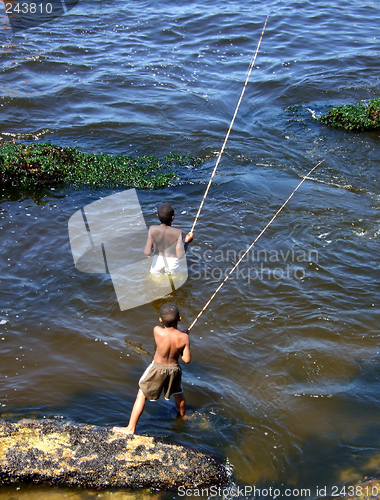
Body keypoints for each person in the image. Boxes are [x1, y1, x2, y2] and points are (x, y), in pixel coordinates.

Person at [113, 303, 191, 435]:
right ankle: (183, 416)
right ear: (180, 319)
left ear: (161, 320)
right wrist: (184, 337)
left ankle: (130, 428)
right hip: (174, 369)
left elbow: (167, 338)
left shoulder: (157, 330)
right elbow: (186, 359)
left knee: (141, 394)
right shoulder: (184, 338)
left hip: (157, 368)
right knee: (178, 392)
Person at [145, 203, 193, 275]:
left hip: (158, 261)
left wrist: (153, 251)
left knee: (156, 282)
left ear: (157, 216)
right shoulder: (178, 233)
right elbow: (180, 255)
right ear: (172, 218)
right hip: (172, 264)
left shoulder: (152, 229)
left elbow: (147, 252)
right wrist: (187, 242)